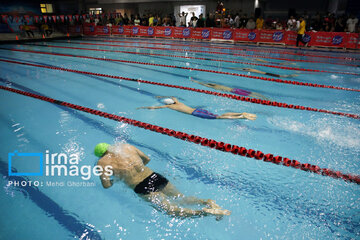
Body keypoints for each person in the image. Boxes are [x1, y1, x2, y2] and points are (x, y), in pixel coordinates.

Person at [95, 142, 231, 218]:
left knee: (171, 210)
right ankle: (207, 202)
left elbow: (106, 185)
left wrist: (117, 179)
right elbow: (147, 159)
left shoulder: (101, 163)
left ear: (100, 155)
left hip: (142, 187)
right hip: (155, 176)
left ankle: (204, 212)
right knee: (181, 198)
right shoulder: (126, 147)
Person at [137, 96, 257, 120]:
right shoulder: (177, 102)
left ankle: (241, 116)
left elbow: (156, 108)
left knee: (219, 118)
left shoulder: (169, 106)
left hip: (196, 114)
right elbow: (173, 97)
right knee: (217, 116)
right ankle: (240, 113)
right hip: (198, 110)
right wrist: (164, 96)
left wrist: (144, 107)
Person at [191, 79, 269, 100]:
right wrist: (196, 81)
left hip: (234, 91)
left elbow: (203, 84)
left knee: (251, 95)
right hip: (234, 89)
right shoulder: (215, 85)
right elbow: (204, 83)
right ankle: (264, 98)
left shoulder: (213, 86)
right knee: (252, 93)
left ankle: (264, 99)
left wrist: (195, 81)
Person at [230, 67, 299, 78]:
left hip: (264, 73)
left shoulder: (249, 70)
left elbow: (240, 69)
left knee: (279, 76)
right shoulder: (251, 69)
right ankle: (288, 76)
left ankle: (288, 76)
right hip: (264, 73)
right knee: (279, 76)